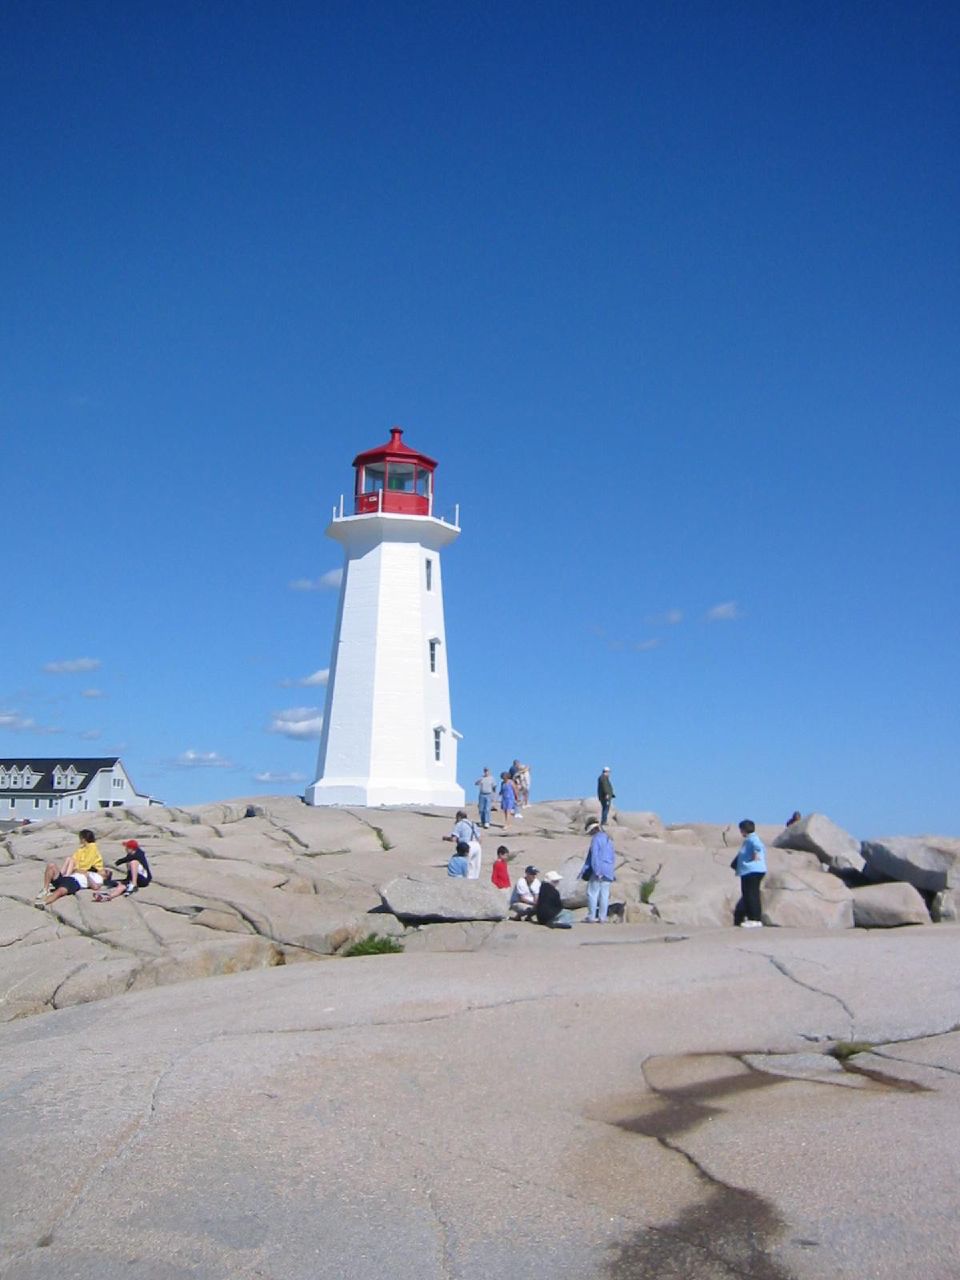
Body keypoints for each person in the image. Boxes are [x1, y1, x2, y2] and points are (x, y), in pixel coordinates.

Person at [36, 829, 104, 904]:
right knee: (53, 865)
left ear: (83, 839)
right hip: (72, 875)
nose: (79, 840)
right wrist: (76, 869)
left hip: (74, 879)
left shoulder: (92, 847)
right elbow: (75, 859)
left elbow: (87, 863)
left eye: (80, 838)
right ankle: (46, 889)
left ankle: (43, 902)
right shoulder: (81, 849)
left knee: (61, 890)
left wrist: (81, 871)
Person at [581, 817, 616, 923]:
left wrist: (596, 870)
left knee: (592, 893)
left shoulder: (596, 839)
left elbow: (595, 856)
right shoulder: (608, 839)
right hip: (608, 869)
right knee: (604, 894)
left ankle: (591, 916)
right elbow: (612, 856)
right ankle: (602, 917)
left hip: (598, 869)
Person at [734, 819, 767, 927]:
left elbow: (758, 846)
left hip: (751, 870)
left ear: (744, 830)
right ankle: (755, 919)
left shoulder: (752, 838)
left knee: (750, 895)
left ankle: (754, 919)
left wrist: (756, 853)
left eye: (741, 830)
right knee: (753, 894)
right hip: (752, 870)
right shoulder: (751, 839)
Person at [443, 810, 482, 879]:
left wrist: (446, 838)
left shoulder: (459, 824)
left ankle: (466, 880)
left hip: (466, 846)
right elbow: (480, 839)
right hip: (477, 845)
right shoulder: (473, 824)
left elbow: (453, 839)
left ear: (459, 817)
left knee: (466, 864)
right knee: (475, 865)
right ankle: (475, 879)